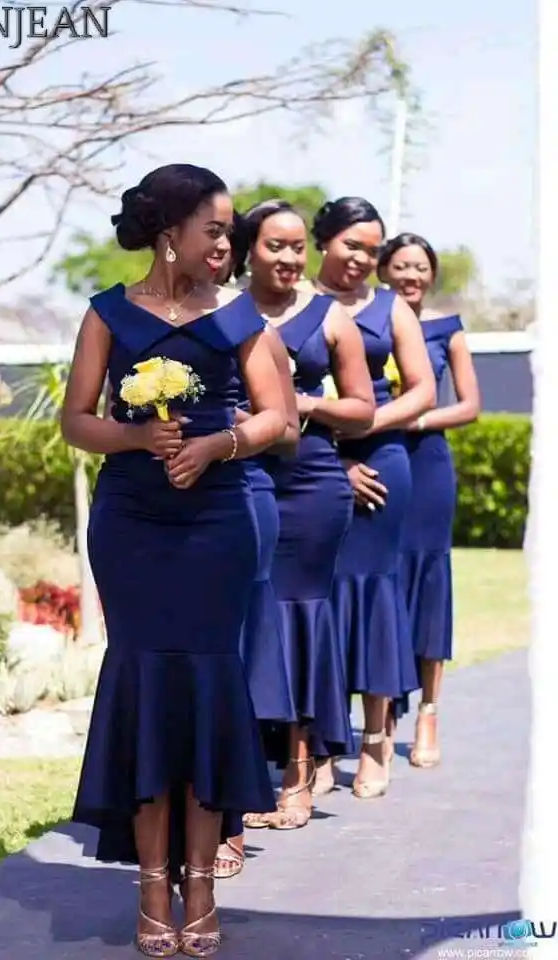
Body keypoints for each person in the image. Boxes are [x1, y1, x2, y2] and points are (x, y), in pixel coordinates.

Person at [62, 163, 288, 958]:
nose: (228, 244)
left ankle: (202, 883)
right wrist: (135, 436)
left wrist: (218, 444)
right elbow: (76, 421)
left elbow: (278, 417)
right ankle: (153, 885)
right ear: (170, 234)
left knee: (206, 692)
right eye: (215, 230)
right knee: (149, 691)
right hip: (132, 524)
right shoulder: (107, 315)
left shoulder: (239, 318)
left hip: (218, 524)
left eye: (230, 231)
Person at [231, 199, 375, 831]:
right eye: (275, 246)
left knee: (298, 620)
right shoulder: (224, 313)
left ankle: (298, 773)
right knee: (245, 622)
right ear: (248, 250)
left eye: (298, 247)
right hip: (240, 481)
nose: (290, 258)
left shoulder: (331, 317)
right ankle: (242, 773)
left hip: (312, 486)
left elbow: (363, 410)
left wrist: (300, 403)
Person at [310, 197, 436, 800]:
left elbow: (422, 390)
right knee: (319, 602)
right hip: (311, 464)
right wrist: (334, 458)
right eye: (351, 245)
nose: (362, 258)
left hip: (383, 463)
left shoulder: (391, 309)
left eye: (372, 249)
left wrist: (365, 422)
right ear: (324, 241)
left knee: (373, 594)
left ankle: (376, 737)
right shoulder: (295, 304)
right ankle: (319, 744)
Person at [212, 221, 300, 879]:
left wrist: (237, 429)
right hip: (161, 511)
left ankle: (230, 818)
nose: (215, 253)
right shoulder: (140, 326)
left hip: (243, 498)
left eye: (224, 244)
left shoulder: (255, 330)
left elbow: (289, 432)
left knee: (233, 663)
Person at [378, 232, 480, 767]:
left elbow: (469, 405)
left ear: (431, 274)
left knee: (429, 584)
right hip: (380, 460)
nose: (411, 276)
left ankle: (428, 714)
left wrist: (415, 418)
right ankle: (383, 712)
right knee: (385, 584)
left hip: (428, 464)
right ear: (383, 271)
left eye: (419, 267)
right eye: (400, 266)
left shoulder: (448, 329)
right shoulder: (368, 323)